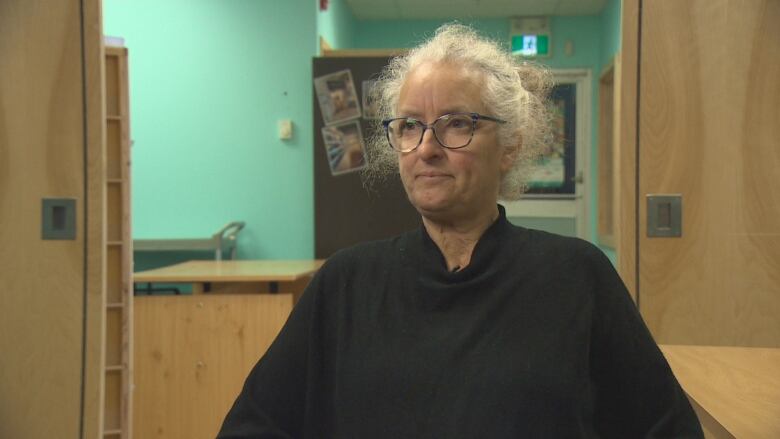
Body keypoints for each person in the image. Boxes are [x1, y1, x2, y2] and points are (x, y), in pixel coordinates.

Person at [218, 24, 703, 438]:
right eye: (409, 126)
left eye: (456, 124)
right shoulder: (346, 283)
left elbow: (665, 429)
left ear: (510, 146)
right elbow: (254, 426)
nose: (427, 147)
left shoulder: (577, 277)